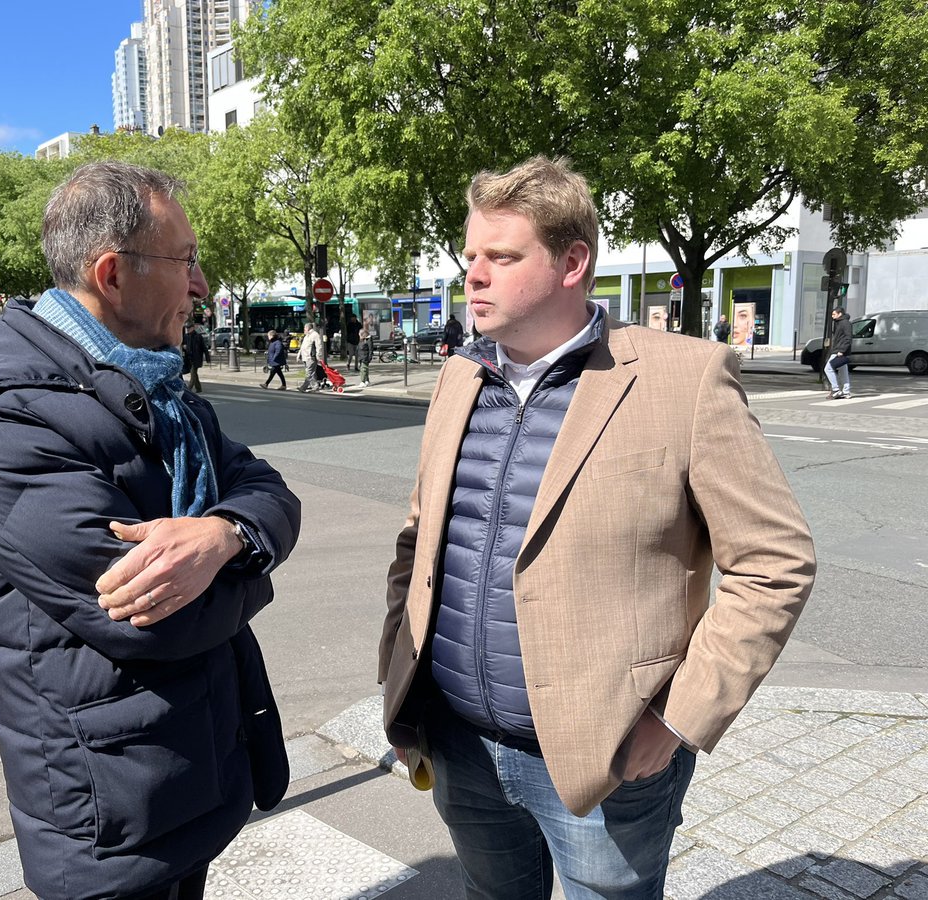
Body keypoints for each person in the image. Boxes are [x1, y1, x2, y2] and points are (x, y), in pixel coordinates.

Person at [378, 156, 815, 900]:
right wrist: (398, 667)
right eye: (470, 256)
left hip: (607, 759)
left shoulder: (685, 379)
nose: (472, 276)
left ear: (573, 261)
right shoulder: (459, 376)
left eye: (502, 257)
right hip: (456, 744)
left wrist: (679, 719)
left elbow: (774, 563)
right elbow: (419, 541)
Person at [0, 161, 300, 900]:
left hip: (190, 773)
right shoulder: (6, 422)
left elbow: (269, 491)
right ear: (113, 274)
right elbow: (156, 620)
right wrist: (257, 569)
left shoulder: (155, 384)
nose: (201, 283)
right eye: (184, 260)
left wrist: (223, 537)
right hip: (109, 818)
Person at [825, 305, 852, 399]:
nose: (832, 316)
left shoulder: (845, 323)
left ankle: (836, 390)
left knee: (828, 369)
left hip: (839, 351)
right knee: (843, 371)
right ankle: (846, 392)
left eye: (834, 314)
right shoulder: (838, 322)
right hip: (838, 350)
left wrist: (842, 350)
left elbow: (848, 338)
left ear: (840, 314)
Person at [182, 321, 210, 393]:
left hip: (196, 358)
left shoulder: (198, 336)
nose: (188, 329)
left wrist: (207, 358)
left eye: (189, 328)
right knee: (194, 374)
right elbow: (183, 346)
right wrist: (184, 347)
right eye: (187, 328)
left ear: (193, 328)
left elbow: (204, 348)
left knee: (193, 374)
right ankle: (198, 388)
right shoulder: (186, 336)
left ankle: (188, 390)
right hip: (188, 358)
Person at [297, 321, 324, 392]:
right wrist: (299, 355)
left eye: (304, 329)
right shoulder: (307, 336)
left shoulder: (315, 335)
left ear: (308, 328)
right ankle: (315, 386)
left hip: (310, 357)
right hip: (305, 357)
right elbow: (302, 347)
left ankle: (304, 387)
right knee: (311, 373)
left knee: (309, 372)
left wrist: (319, 356)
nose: (304, 330)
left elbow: (319, 346)